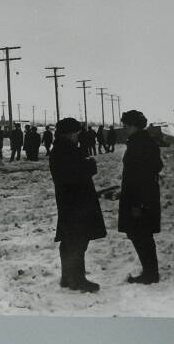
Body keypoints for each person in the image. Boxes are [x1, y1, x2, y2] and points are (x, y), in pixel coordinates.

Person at [49, 117, 106, 293]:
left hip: (69, 200)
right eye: (75, 133)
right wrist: (90, 164)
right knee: (78, 241)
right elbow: (79, 173)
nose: (77, 136)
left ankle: (67, 277)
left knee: (69, 240)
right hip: (77, 201)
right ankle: (77, 280)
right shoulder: (68, 151)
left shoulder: (60, 149)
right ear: (68, 133)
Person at [118, 109, 164, 285]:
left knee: (140, 234)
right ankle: (150, 271)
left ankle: (150, 274)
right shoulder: (141, 141)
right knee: (139, 234)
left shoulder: (140, 144)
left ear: (135, 125)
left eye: (127, 125)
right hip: (141, 196)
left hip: (140, 199)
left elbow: (143, 174)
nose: (124, 128)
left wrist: (138, 203)